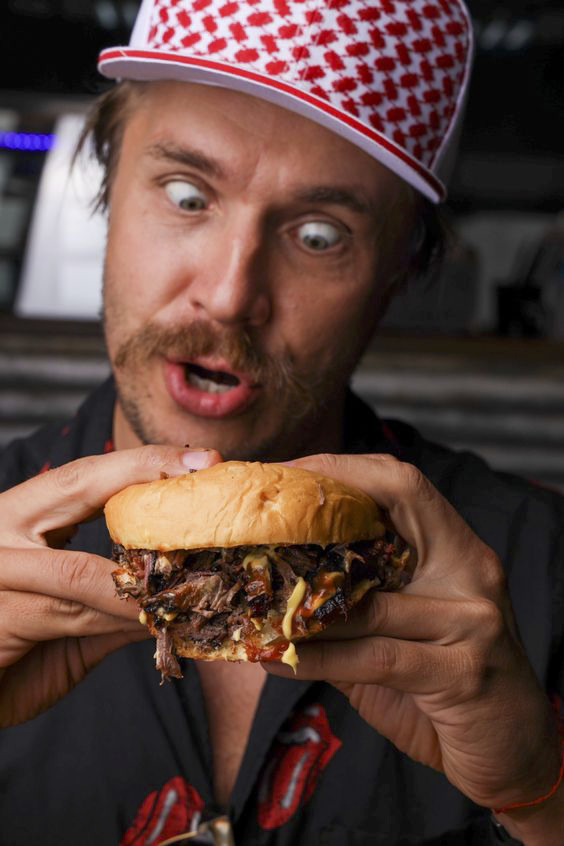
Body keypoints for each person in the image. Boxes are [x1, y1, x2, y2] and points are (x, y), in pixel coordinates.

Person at [0, 1, 563, 844]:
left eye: (318, 234)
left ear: (401, 272)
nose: (230, 295)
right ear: (106, 187)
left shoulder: (537, 567)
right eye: (187, 195)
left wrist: (540, 794)